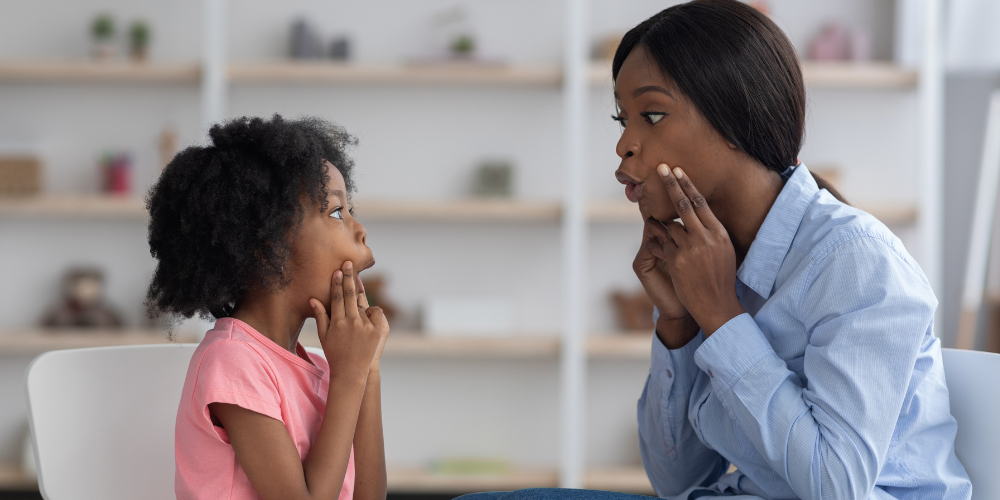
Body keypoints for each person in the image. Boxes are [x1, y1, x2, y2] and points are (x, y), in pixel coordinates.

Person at [457, 1, 972, 499]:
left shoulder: (857, 262)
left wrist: (723, 318)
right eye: (623, 120)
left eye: (652, 116)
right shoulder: (712, 260)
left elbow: (835, 486)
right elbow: (675, 481)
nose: (624, 145)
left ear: (735, 118)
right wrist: (679, 325)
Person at [147, 115, 389, 500]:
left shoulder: (329, 368)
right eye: (336, 213)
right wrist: (349, 377)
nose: (359, 230)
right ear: (268, 245)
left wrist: (367, 370)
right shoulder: (233, 361)